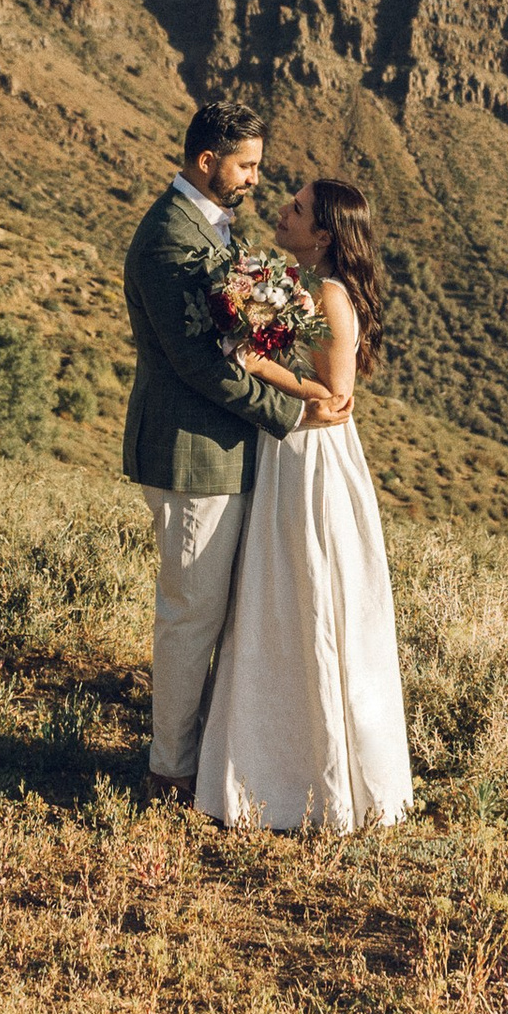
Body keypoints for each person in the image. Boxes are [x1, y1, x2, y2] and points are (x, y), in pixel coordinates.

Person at [121, 98, 333, 803]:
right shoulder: (168, 241)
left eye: (258, 167)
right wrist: (294, 406)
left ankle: (209, 760)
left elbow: (245, 338)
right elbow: (197, 363)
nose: (254, 180)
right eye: (245, 166)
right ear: (207, 161)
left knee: (221, 615)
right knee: (190, 618)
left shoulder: (215, 229)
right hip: (192, 457)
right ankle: (169, 772)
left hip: (228, 452)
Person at [193, 175, 412, 835]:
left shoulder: (332, 296)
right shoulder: (289, 280)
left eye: (295, 209)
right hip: (283, 445)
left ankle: (316, 779)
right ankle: (270, 767)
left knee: (308, 593)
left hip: (312, 460)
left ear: (322, 233)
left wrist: (258, 366)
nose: (282, 212)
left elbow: (334, 397)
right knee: (275, 598)